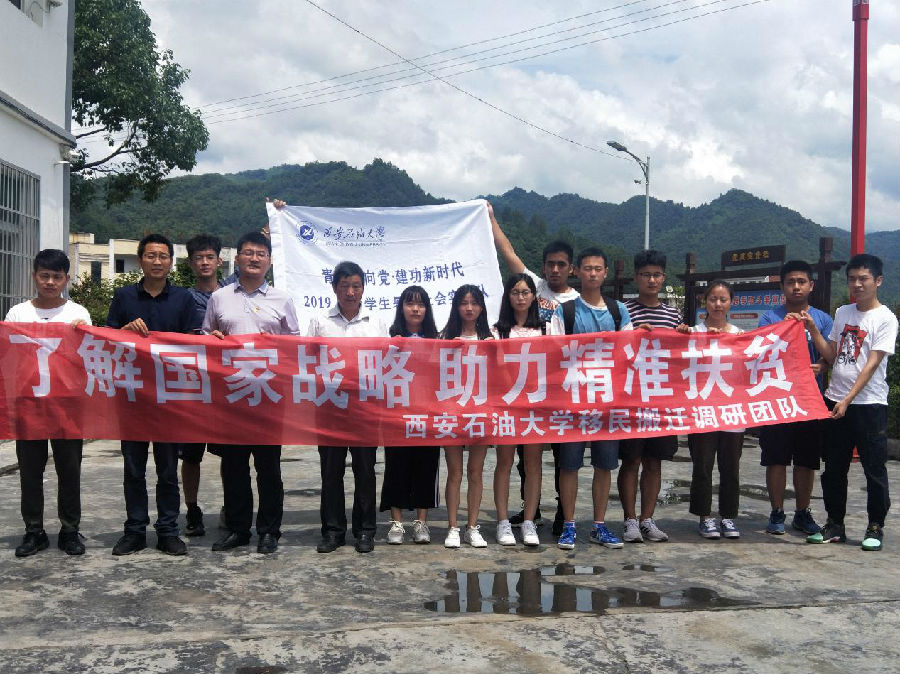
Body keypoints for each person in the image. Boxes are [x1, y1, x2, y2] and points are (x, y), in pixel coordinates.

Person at [204, 231, 300, 554]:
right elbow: (205, 339)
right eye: (248, 252)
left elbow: (294, 346)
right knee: (234, 467)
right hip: (232, 396)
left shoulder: (281, 300)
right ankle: (238, 529)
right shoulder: (219, 298)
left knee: (268, 468)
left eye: (261, 254)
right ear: (237, 258)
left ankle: (270, 530)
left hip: (268, 397)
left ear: (269, 261)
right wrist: (213, 339)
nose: (254, 258)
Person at [106, 233, 200, 556]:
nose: (157, 262)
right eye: (151, 256)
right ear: (140, 260)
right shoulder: (123, 297)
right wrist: (124, 332)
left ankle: (168, 531)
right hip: (132, 398)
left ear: (171, 262)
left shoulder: (184, 299)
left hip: (169, 399)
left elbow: (194, 344)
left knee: (168, 470)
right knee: (133, 468)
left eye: (163, 256)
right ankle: (134, 530)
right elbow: (106, 340)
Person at [798, 254, 897, 551]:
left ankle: (875, 526)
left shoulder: (885, 318)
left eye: (863, 279)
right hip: (835, 400)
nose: (857, 284)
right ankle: (835, 524)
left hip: (869, 405)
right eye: (852, 279)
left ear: (878, 281)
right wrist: (813, 331)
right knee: (833, 468)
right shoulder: (842, 312)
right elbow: (834, 354)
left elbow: (872, 364)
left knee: (874, 469)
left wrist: (848, 399)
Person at [489, 201, 577, 534]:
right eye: (550, 264)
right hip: (518, 395)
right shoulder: (533, 287)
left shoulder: (577, 302)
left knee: (561, 458)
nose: (555, 269)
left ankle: (562, 512)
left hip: (556, 391)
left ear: (571, 269)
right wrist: (491, 219)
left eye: (561, 264)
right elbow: (508, 253)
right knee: (523, 461)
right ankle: (531, 512)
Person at [5, 249, 91, 557]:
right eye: (45, 276)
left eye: (57, 277)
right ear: (34, 276)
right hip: (29, 405)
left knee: (69, 470)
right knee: (30, 471)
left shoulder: (77, 314)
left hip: (67, 405)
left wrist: (79, 333)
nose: (50, 282)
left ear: (66, 279)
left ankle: (70, 530)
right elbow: (9, 358)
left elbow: (85, 357)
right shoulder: (17, 314)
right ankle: (34, 531)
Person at [549, 247, 632, 551]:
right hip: (573, 401)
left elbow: (629, 352)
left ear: (605, 273)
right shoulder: (565, 311)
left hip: (607, 402)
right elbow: (554, 354)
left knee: (604, 465)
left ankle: (599, 525)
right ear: (577, 272)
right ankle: (569, 525)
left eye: (598, 268)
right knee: (569, 465)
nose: (593, 273)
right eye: (587, 268)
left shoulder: (618, 311)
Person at [308, 261, 389, 554]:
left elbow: (387, 362)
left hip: (365, 407)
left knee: (365, 470)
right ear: (334, 288)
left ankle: (365, 531)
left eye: (356, 286)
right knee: (331, 472)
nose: (350, 292)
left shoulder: (376, 322)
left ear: (363, 289)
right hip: (330, 407)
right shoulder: (320, 321)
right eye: (344, 286)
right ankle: (333, 531)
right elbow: (308, 360)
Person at [758, 261, 832, 536]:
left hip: (809, 401)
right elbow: (762, 355)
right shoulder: (770, 318)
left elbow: (830, 355)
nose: (796, 287)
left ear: (811, 286)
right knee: (776, 459)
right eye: (790, 282)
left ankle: (802, 513)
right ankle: (777, 511)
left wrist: (820, 364)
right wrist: (784, 329)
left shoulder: (823, 319)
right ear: (782, 286)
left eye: (801, 282)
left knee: (806, 461)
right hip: (777, 400)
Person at [618, 250, 682, 544]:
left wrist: (684, 335)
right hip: (631, 399)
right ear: (636, 277)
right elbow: (614, 348)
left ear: (663, 278)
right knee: (631, 461)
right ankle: (630, 520)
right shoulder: (623, 311)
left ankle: (647, 519)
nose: (652, 280)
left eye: (656, 275)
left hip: (661, 400)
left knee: (654, 462)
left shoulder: (673, 314)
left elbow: (681, 356)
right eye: (646, 275)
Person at [678, 280, 744, 540]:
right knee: (703, 466)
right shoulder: (692, 333)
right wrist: (680, 337)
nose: (718, 304)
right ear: (704, 301)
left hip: (732, 412)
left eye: (723, 299)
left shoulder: (740, 335)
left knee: (731, 467)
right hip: (702, 411)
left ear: (731, 303)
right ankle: (704, 516)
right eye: (713, 299)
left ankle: (728, 516)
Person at [381, 286, 441, 545]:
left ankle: (421, 522)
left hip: (427, 414)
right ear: (401, 307)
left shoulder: (436, 339)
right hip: (397, 414)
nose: (415, 309)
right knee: (396, 467)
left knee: (426, 467)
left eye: (421, 304)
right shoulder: (390, 338)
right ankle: (396, 523)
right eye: (410, 304)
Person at [491, 273, 546, 547]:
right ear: (508, 296)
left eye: (525, 292)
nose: (521, 297)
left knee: (533, 464)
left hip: (536, 406)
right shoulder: (496, 330)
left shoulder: (547, 328)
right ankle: (503, 521)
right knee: (504, 463)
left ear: (534, 296)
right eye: (515, 292)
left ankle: (529, 521)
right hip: (507, 407)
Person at [179, 234, 226, 537]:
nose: (205, 263)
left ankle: (229, 505)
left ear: (219, 261)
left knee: (230, 454)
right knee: (191, 455)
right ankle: (192, 509)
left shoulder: (233, 294)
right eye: (199, 258)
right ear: (191, 263)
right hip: (194, 386)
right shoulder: (183, 299)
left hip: (226, 387)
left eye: (210, 257)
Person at [440, 284, 493, 549]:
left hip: (480, 413)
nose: (469, 308)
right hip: (452, 412)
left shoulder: (491, 338)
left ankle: (472, 526)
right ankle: (452, 527)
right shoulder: (444, 337)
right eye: (464, 303)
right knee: (455, 472)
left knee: (475, 471)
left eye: (474, 303)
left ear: (481, 307)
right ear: (456, 307)